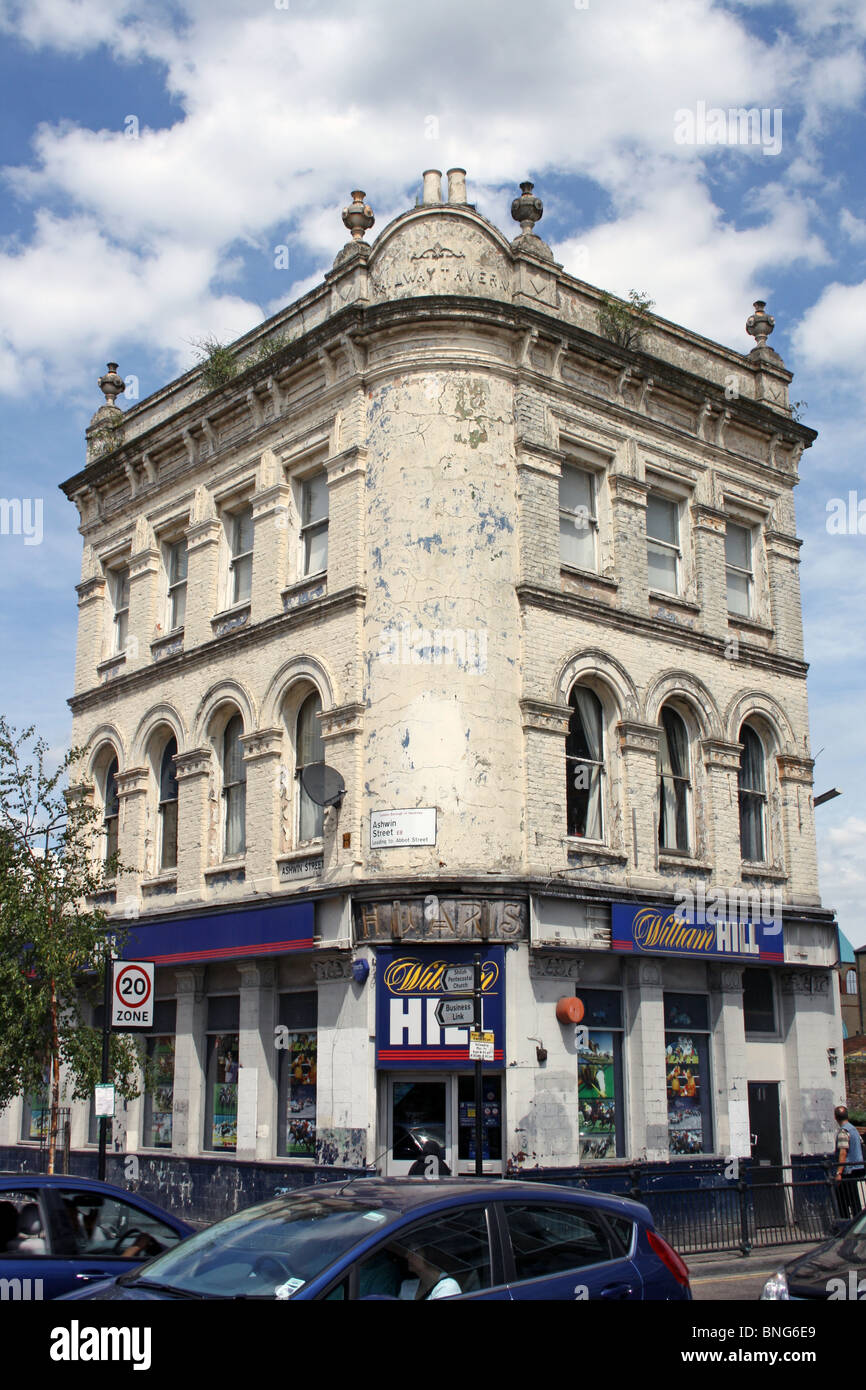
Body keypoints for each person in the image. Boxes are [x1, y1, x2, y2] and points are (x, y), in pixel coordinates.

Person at [833, 1104, 865, 1219]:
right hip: (858, 1168)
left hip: (847, 1171)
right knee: (854, 1199)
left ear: (835, 1117)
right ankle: (857, 1223)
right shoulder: (854, 1130)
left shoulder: (844, 1131)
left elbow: (843, 1152)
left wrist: (839, 1173)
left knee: (843, 1201)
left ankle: (845, 1224)